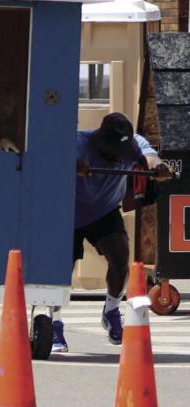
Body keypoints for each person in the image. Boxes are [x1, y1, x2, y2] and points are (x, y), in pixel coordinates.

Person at [53, 113, 172, 352]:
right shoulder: (78, 143)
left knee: (120, 258)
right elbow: (54, 165)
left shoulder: (134, 144)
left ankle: (111, 310)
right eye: (110, 152)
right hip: (69, 211)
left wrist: (159, 167)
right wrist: (71, 168)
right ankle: (54, 323)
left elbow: (151, 158)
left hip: (103, 211)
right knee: (62, 269)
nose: (116, 157)